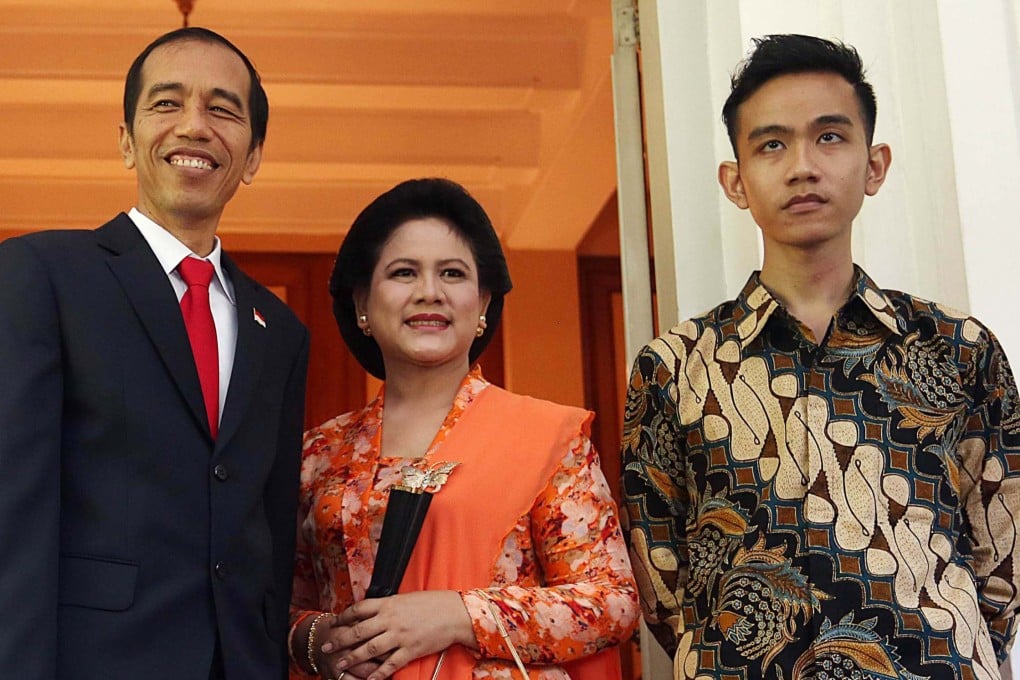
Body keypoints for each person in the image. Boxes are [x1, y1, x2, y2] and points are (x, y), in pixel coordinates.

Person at [621, 33, 1020, 680]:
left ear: (875, 165)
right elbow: (662, 578)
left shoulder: (957, 350)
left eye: (830, 137)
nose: (802, 165)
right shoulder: (675, 367)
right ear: (736, 180)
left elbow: (1003, 561)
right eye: (771, 144)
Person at [0, 27, 310, 679]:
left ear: (252, 155)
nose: (194, 126)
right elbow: (13, 512)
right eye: (167, 104)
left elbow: (271, 534)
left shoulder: (279, 330)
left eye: (223, 109)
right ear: (125, 139)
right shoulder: (43, 274)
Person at [287, 177, 639, 680]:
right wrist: (319, 639)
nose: (429, 292)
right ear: (362, 302)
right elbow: (282, 606)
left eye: (452, 273)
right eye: (404, 272)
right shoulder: (319, 453)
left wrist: (457, 615)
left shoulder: (546, 437)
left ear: (484, 303)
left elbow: (612, 602)